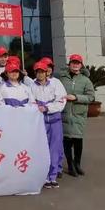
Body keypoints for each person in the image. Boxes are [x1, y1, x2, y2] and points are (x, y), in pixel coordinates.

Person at [31, 61, 67, 189]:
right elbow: (30, 101)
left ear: (47, 72)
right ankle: (44, 176)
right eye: (38, 71)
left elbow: (62, 100)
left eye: (43, 71)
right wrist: (37, 107)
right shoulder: (31, 85)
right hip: (39, 122)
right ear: (35, 73)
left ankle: (52, 176)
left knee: (55, 148)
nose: (40, 74)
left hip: (54, 120)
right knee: (41, 149)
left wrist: (47, 107)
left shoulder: (56, 83)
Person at [60, 54, 95, 177]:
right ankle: (70, 165)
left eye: (77, 63)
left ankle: (77, 163)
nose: (75, 65)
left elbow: (91, 97)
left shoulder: (85, 80)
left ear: (81, 65)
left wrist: (76, 97)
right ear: (69, 64)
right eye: (73, 62)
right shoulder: (61, 78)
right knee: (67, 141)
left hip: (78, 115)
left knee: (78, 140)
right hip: (64, 114)